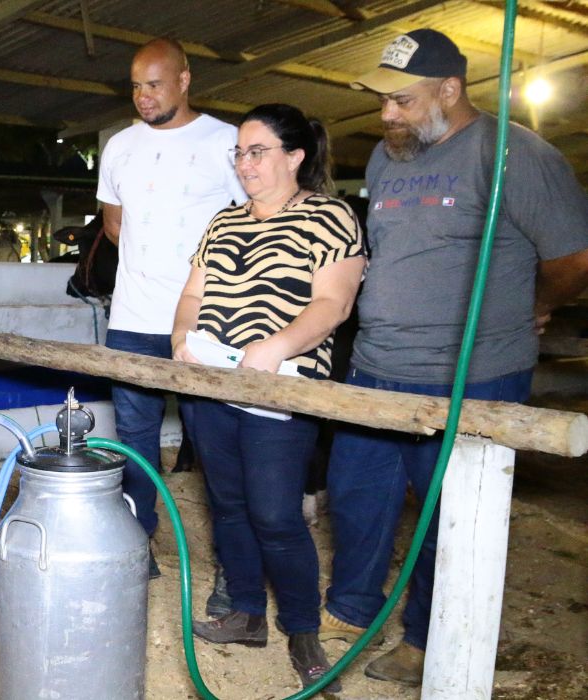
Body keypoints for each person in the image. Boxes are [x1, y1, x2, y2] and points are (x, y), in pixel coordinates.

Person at [323, 29, 588, 686]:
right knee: (356, 497)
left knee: (451, 514)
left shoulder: (515, 157)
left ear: (450, 89)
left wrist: (530, 303)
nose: (387, 115)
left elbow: (573, 260)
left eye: (402, 101)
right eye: (382, 100)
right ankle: (350, 616)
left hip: (473, 371)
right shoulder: (389, 158)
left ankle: (424, 641)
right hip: (378, 365)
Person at [171, 103, 365, 692]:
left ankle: (303, 629)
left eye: (257, 151)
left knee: (277, 514)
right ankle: (247, 612)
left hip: (283, 386)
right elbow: (192, 293)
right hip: (211, 386)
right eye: (240, 152)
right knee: (227, 506)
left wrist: (275, 346)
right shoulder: (223, 220)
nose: (245, 164)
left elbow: (334, 305)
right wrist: (181, 340)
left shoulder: (331, 217)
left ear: (295, 156)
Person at [97, 36, 247, 579]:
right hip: (132, 321)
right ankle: (140, 542)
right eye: (136, 86)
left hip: (207, 323)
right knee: (135, 441)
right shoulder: (118, 147)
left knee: (215, 441)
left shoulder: (227, 142)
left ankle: (234, 567)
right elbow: (114, 226)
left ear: (184, 80)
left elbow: (253, 222)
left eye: (154, 84)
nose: (143, 96)